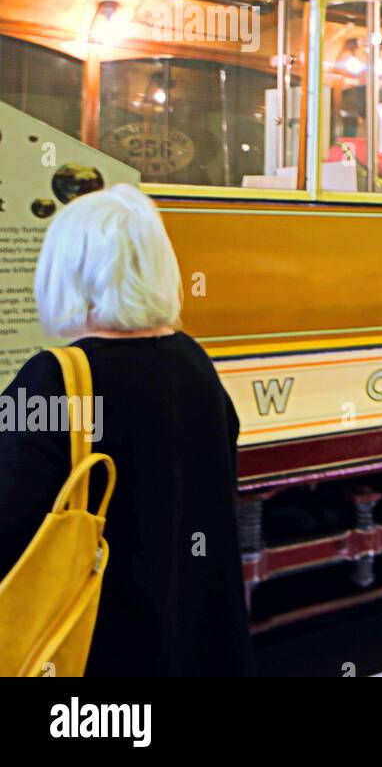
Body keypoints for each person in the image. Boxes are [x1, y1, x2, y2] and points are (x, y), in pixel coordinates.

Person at [0, 185, 253, 675]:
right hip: (194, 649)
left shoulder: (57, 379)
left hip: (96, 654)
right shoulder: (194, 365)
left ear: (66, 271)